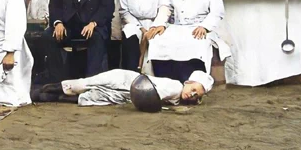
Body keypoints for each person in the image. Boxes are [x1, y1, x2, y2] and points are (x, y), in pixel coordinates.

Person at [144, 0, 230, 82]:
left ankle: (192, 80)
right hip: (178, 26)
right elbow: (166, 6)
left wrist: (205, 27)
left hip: (200, 26)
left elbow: (217, 11)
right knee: (158, 40)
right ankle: (164, 80)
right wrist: (159, 24)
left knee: (195, 43)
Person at [40, 68, 214, 106]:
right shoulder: (175, 87)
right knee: (88, 83)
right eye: (193, 89)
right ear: (187, 83)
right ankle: (47, 89)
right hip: (127, 80)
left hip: (128, 96)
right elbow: (152, 95)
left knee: (94, 98)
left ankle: (51, 97)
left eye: (196, 95)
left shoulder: (178, 100)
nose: (191, 94)